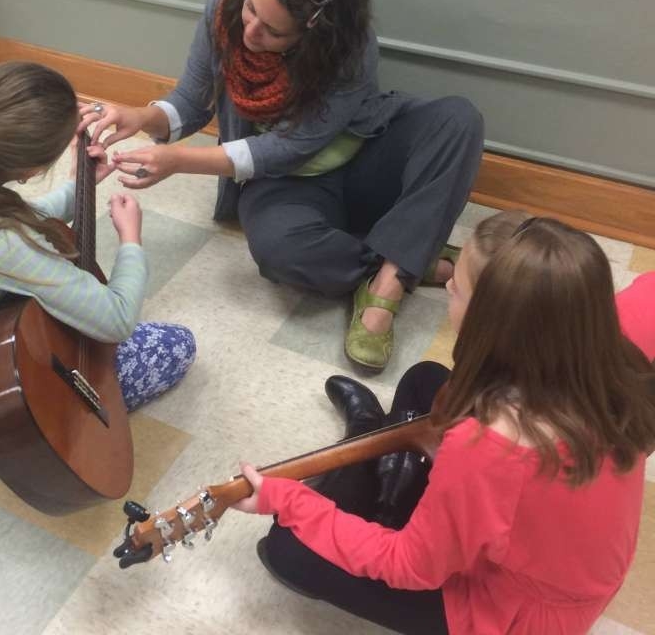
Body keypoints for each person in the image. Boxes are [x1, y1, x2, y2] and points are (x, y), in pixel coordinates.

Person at [78, 0, 484, 372]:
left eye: (273, 32)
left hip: (362, 154)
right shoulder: (222, 14)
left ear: (314, 34)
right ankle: (410, 253)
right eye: (251, 9)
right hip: (286, 186)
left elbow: (292, 145)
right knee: (279, 251)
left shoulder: (349, 47)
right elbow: (190, 105)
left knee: (459, 119)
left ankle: (388, 283)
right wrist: (139, 116)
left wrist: (180, 161)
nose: (250, 30)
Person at [233, 214, 655, 635]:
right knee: (426, 381)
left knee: (289, 548)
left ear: (492, 324)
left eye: (457, 289)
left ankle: (367, 437)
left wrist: (287, 500)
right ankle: (381, 465)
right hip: (561, 566)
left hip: (510, 612)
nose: (448, 288)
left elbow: (411, 567)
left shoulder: (491, 446)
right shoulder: (610, 344)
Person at [0, 61, 195, 436]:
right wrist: (131, 241)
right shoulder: (0, 242)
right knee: (177, 345)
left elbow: (0, 221)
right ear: (30, 171)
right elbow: (116, 318)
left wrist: (76, 189)